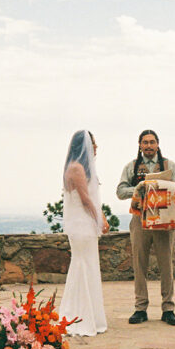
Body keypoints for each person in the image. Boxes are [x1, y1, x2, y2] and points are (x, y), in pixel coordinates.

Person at [116, 129, 175, 325]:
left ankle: (168, 308)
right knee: (139, 264)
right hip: (140, 219)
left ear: (158, 144)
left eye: (152, 142)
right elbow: (120, 191)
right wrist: (138, 189)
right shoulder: (131, 167)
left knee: (166, 264)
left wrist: (162, 187)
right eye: (145, 142)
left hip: (164, 219)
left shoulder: (169, 165)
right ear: (140, 145)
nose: (148, 146)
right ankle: (140, 308)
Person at [58, 130, 109, 336]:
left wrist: (100, 218)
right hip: (82, 226)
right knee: (83, 266)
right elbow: (87, 200)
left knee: (85, 266)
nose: (95, 147)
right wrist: (99, 221)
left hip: (83, 224)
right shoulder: (77, 168)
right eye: (93, 143)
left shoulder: (75, 166)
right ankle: (81, 316)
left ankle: (85, 313)